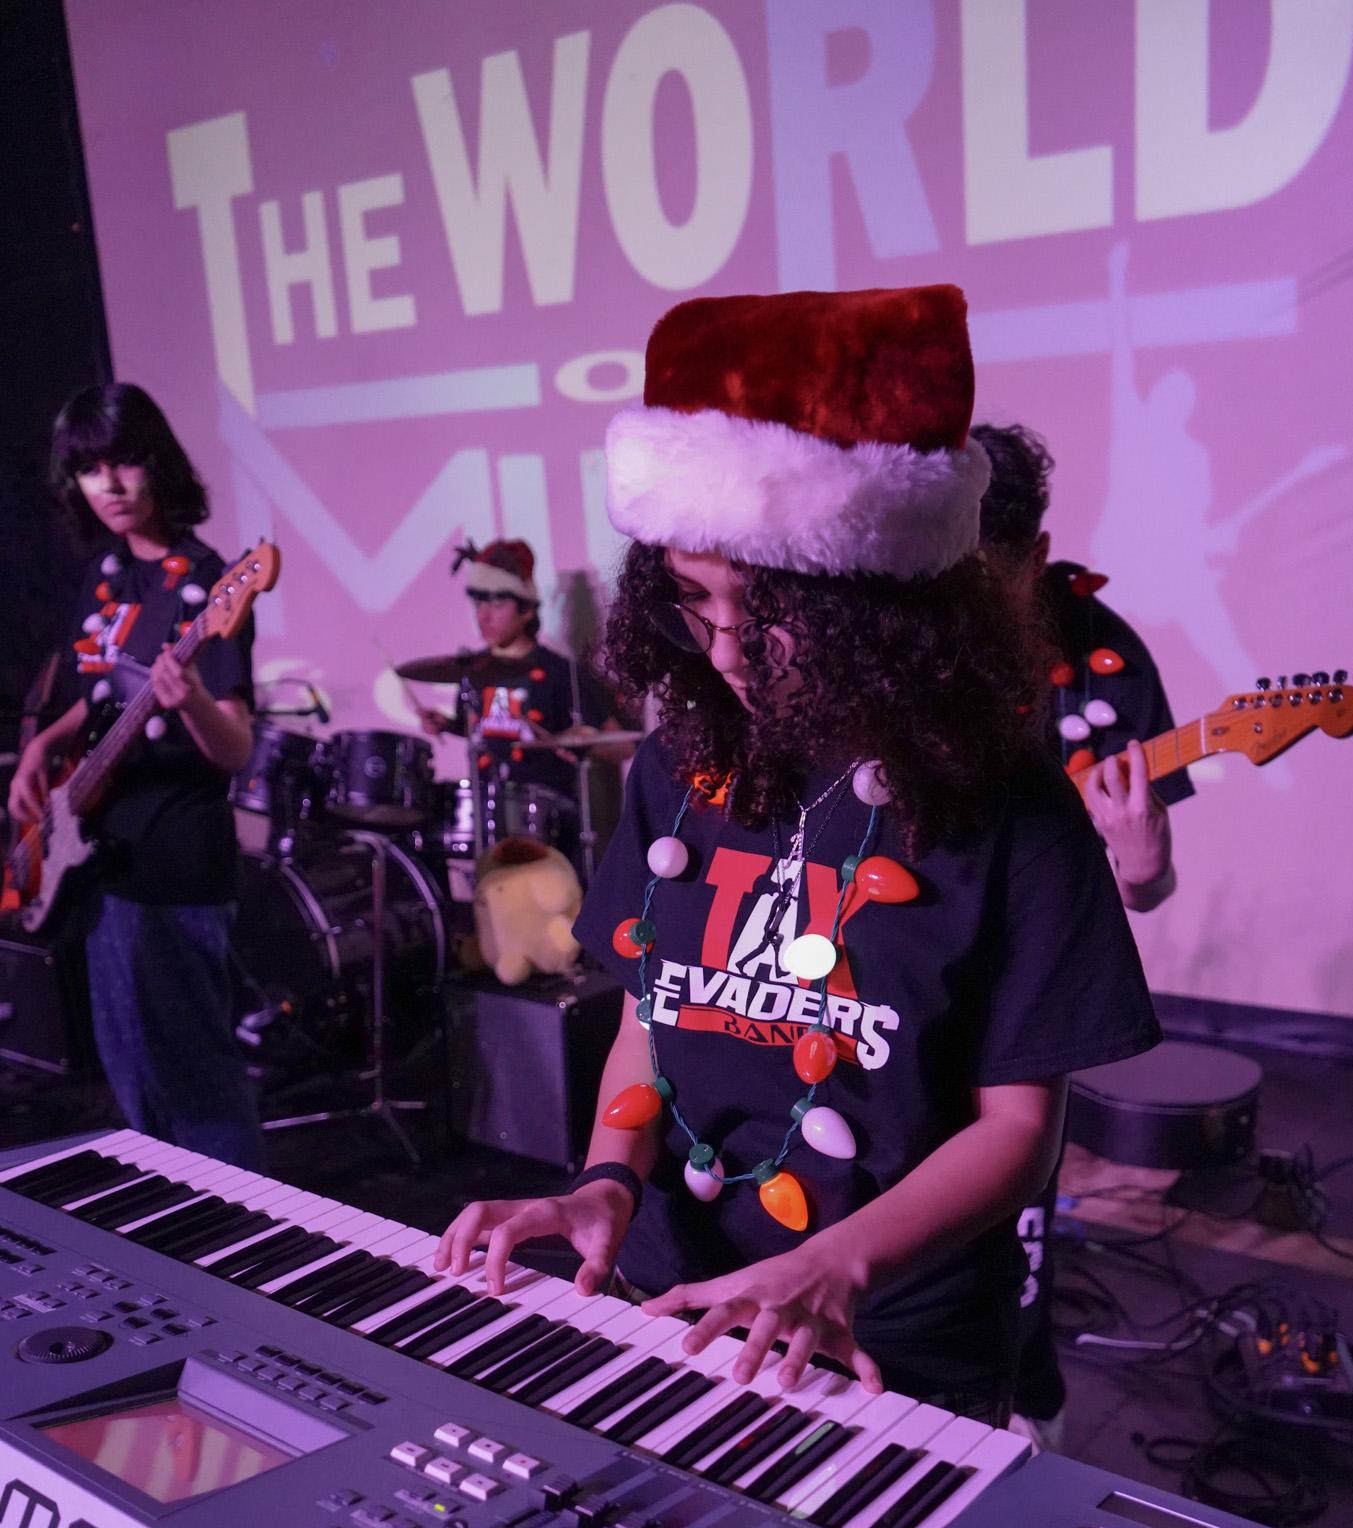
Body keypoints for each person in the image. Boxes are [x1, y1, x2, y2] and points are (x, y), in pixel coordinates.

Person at [433, 288, 1160, 1423]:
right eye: (690, 603)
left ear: (878, 605)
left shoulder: (1012, 804)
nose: (724, 651)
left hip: (890, 1340)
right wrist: (605, 1183)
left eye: (768, 611)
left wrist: (837, 1265)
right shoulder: (680, 763)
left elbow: (1019, 1128)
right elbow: (650, 1014)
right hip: (675, 1296)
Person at [971, 420, 1194, 1430]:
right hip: (889, 967)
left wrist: (1142, 865)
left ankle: (1027, 1414)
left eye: (985, 572)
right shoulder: (890, 641)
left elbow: (1142, 887)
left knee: (1014, 1219)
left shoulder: (1103, 658)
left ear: (1034, 557)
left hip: (1025, 990)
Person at [5, 382, 264, 1170]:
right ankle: (173, 1241)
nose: (109, 485)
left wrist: (188, 704)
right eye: (88, 470)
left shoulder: (209, 585)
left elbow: (236, 750)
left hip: (175, 860)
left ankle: (246, 1240)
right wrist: (41, 752)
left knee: (197, 1085)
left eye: (124, 463)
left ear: (158, 464)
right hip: (99, 858)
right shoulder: (105, 575)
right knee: (136, 1085)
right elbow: (96, 699)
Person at [413, 538, 626, 871]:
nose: (483, 615)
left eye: (497, 604)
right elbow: (481, 732)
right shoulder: (471, 671)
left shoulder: (559, 671)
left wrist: (582, 738)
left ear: (526, 609)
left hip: (547, 817)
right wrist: (447, 725)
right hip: (485, 812)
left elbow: (622, 746)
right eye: (478, 603)